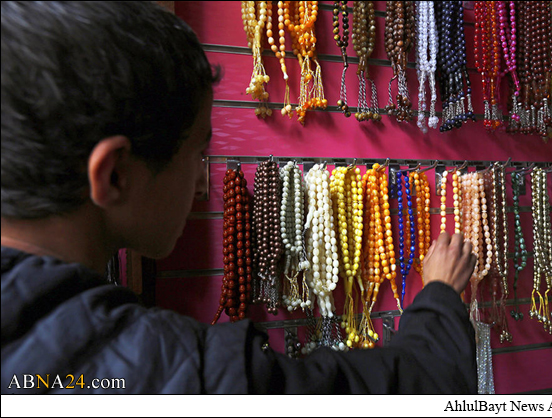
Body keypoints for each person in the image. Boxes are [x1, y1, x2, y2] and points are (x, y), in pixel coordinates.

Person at [1, 1, 477, 394]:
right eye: (198, 154)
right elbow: (419, 391)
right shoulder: (176, 374)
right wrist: (439, 294)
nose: (202, 183)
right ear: (115, 175)